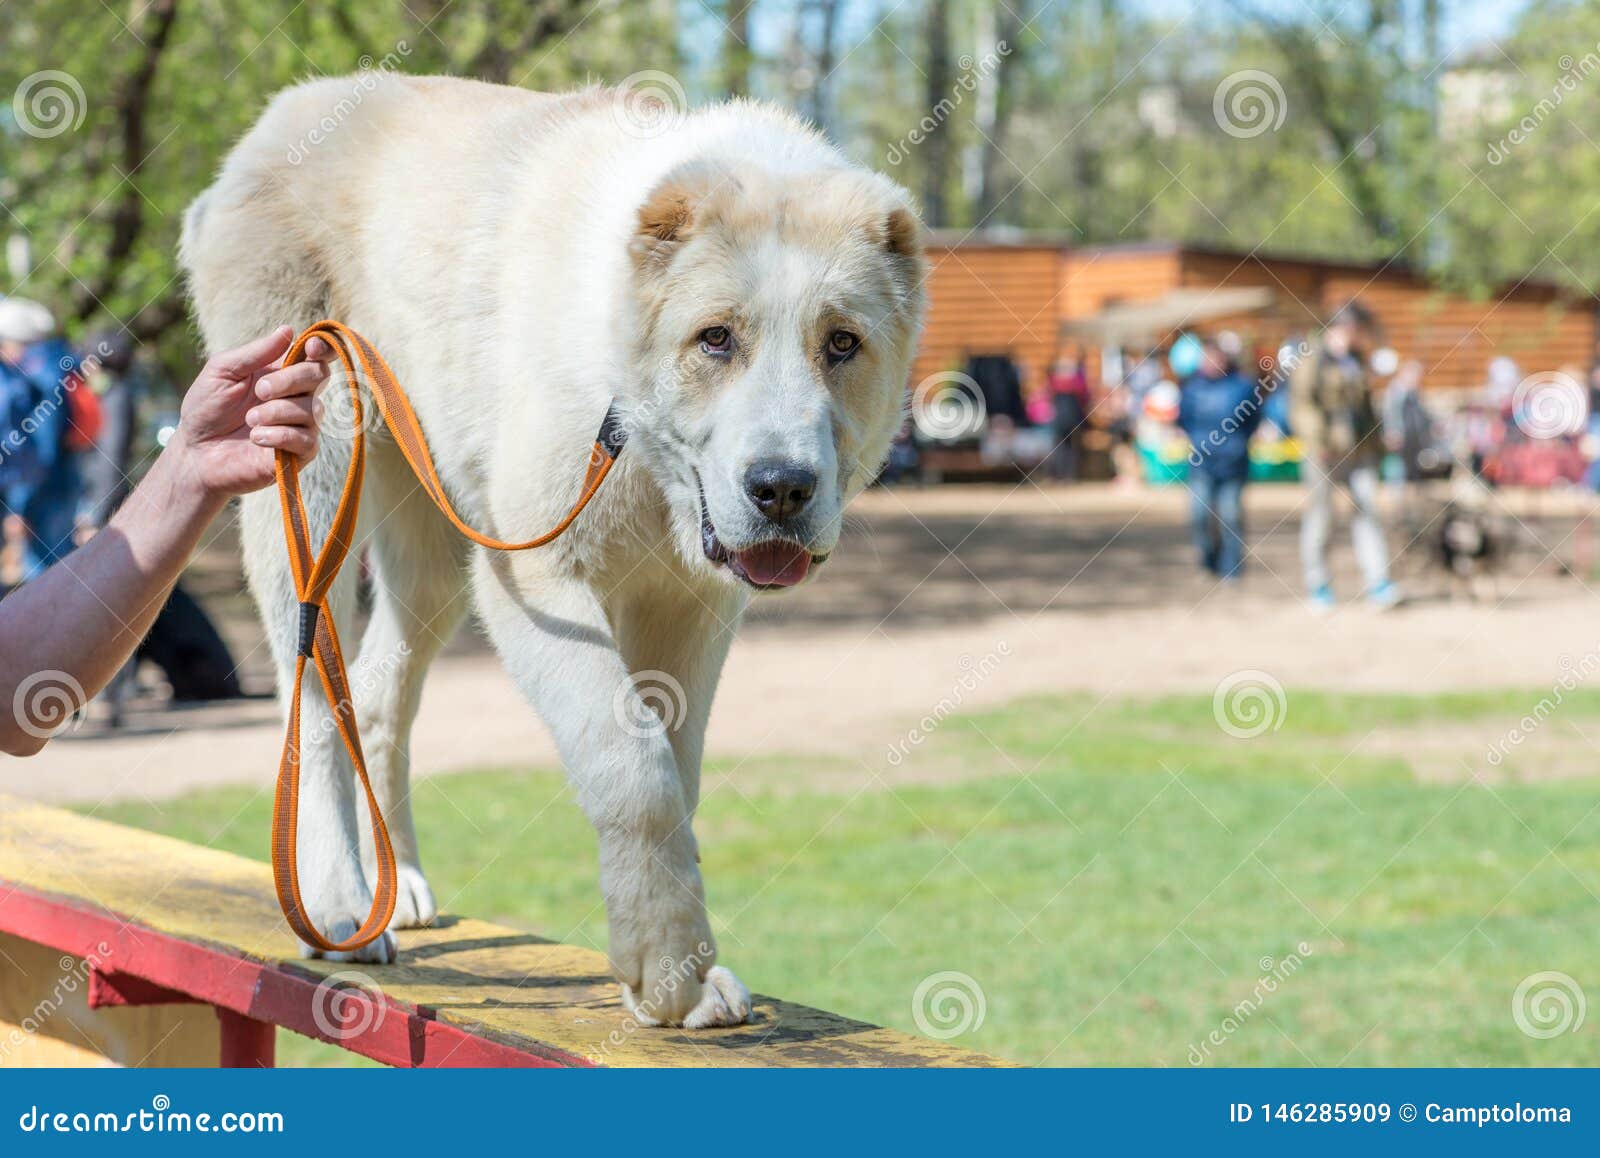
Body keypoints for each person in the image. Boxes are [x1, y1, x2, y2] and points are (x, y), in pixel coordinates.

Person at [0, 325, 332, 756]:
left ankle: (119, 695)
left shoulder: (93, 392)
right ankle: (119, 694)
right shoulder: (84, 388)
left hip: (78, 512)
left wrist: (193, 465)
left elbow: (11, 687)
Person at [1290, 301, 1400, 611]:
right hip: (1323, 452)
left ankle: (1379, 583)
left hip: (1361, 451)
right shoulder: (1311, 358)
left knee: (1368, 514)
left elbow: (1365, 408)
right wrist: (1318, 439)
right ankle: (1319, 585)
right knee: (1321, 517)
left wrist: (1380, 440)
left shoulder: (1356, 360)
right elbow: (1301, 405)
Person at [1178, 338, 1261, 581]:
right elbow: (1183, 419)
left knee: (1231, 515)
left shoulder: (1242, 386)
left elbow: (1252, 419)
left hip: (1233, 463)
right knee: (1199, 515)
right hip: (1201, 462)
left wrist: (1236, 444)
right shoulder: (1192, 388)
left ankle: (1232, 566)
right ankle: (1207, 562)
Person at [1045, 350, 1091, 481]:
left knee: (1066, 446)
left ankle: (1066, 475)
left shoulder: (1060, 380)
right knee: (1062, 447)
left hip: (1067, 419)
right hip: (1065, 419)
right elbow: (1084, 395)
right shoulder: (1073, 380)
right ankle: (1062, 474)